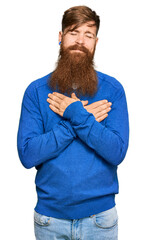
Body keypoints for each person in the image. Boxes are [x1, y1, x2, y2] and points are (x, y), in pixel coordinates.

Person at [17, 5, 129, 240]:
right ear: (60, 37)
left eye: (88, 35)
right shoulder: (36, 92)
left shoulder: (113, 90)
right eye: (73, 32)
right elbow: (27, 155)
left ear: (96, 42)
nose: (80, 41)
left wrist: (76, 114)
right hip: (50, 221)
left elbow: (117, 151)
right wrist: (76, 120)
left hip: (100, 221)